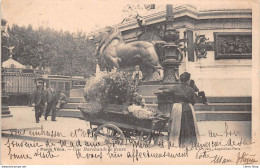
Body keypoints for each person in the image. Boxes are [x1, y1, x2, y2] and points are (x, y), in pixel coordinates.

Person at [168, 72, 200, 147]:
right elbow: (193, 101)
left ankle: (175, 141)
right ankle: (188, 142)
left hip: (176, 107)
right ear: (188, 80)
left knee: (176, 124)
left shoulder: (174, 87)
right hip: (187, 107)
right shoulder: (190, 89)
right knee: (188, 125)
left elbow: (171, 98)